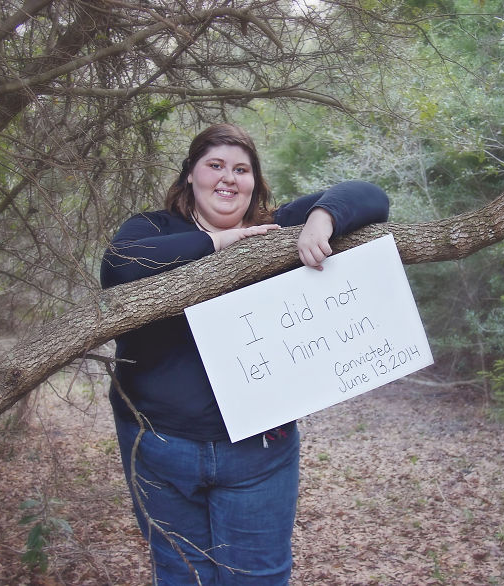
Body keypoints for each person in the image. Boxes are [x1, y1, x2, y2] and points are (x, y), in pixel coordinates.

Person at [99, 123, 389, 585]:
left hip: (258, 454)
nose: (228, 178)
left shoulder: (273, 229)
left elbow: (371, 195)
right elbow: (118, 266)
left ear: (254, 181)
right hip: (159, 446)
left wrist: (322, 218)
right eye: (215, 166)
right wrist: (218, 243)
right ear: (190, 175)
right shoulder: (153, 229)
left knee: (259, 577)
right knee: (182, 575)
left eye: (241, 169)